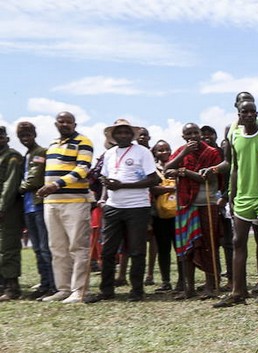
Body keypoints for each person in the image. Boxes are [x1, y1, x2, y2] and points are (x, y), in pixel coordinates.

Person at [87, 118, 160, 302]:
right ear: (113, 135)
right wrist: (103, 198)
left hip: (137, 206)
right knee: (108, 252)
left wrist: (123, 185)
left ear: (132, 135)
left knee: (136, 251)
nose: (123, 135)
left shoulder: (142, 152)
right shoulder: (109, 154)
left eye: (126, 132)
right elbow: (105, 179)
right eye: (119, 132)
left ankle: (137, 291)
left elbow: (154, 180)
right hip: (113, 206)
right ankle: (106, 291)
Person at [214, 99, 258, 306]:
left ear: (257, 114)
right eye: (244, 112)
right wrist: (231, 193)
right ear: (238, 114)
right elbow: (234, 167)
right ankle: (238, 292)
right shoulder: (233, 134)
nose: (248, 115)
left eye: (252, 112)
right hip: (242, 198)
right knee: (238, 241)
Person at [36, 112, 95, 304]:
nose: (65, 124)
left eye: (69, 122)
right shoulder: (52, 144)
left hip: (75, 201)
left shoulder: (83, 141)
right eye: (61, 121)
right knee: (57, 247)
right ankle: (63, 289)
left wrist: (56, 184)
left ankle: (79, 291)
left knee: (77, 247)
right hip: (52, 203)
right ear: (56, 124)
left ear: (74, 124)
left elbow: (83, 168)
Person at [164, 123, 224, 299]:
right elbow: (167, 170)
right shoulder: (181, 151)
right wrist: (183, 154)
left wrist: (182, 171)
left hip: (207, 203)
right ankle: (189, 288)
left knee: (208, 245)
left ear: (200, 134)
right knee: (186, 248)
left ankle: (210, 286)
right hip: (185, 204)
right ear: (183, 137)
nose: (192, 136)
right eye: (188, 134)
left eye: (195, 133)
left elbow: (205, 176)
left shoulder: (211, 153)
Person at [15, 122, 55, 299]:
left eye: (28, 134)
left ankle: (53, 285)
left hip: (39, 205)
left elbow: (33, 180)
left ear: (35, 134)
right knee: (37, 249)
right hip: (27, 207)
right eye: (22, 136)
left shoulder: (40, 153)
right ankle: (44, 283)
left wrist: (17, 188)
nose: (25, 138)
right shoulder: (27, 155)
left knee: (45, 248)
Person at [148, 140, 177, 293]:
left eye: (167, 149)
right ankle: (166, 281)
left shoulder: (177, 166)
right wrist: (171, 188)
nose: (164, 152)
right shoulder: (152, 169)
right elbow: (152, 189)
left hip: (178, 214)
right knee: (163, 249)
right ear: (155, 153)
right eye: (160, 150)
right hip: (159, 215)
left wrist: (164, 189)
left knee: (180, 249)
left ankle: (182, 281)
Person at [0, 126, 23, 301]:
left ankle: (11, 287)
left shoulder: (12, 157)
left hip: (8, 209)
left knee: (8, 248)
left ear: (6, 139)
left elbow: (10, 185)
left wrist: (1, 207)